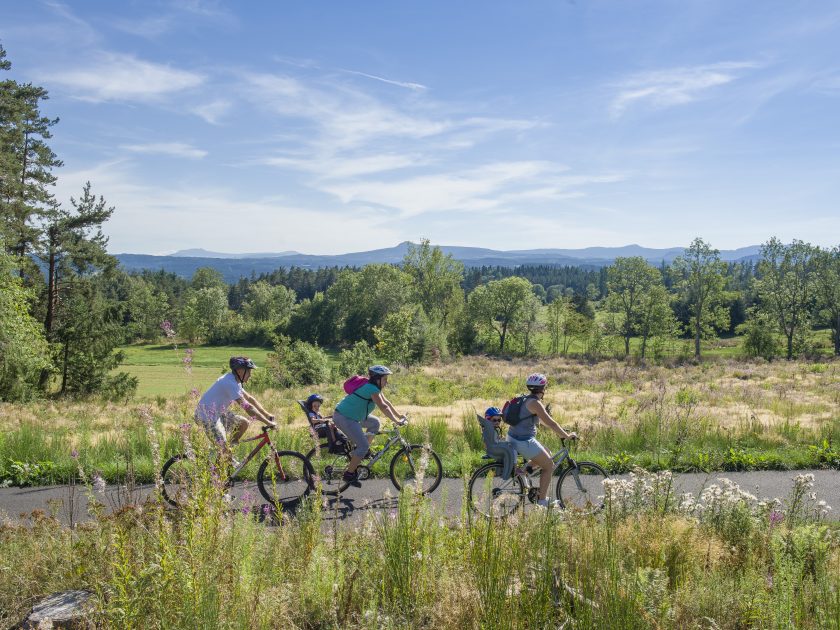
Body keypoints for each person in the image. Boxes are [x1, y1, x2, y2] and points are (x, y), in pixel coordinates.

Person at [506, 373, 577, 509]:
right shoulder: (535, 403)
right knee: (549, 465)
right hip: (523, 441)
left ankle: (521, 473)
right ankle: (542, 501)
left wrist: (561, 431)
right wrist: (566, 436)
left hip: (513, 437)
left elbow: (543, 421)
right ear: (543, 388)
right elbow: (551, 423)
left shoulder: (526, 399)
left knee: (547, 452)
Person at [331, 365, 407, 487]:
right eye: (385, 379)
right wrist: (396, 421)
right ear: (377, 379)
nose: (386, 382)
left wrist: (399, 416)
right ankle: (349, 474)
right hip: (345, 417)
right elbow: (383, 407)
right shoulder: (371, 388)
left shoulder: (373, 387)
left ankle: (362, 452)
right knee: (363, 446)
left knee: (375, 423)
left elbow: (387, 402)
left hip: (354, 416)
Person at [194, 356, 276, 464]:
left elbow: (250, 399)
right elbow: (247, 407)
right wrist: (268, 423)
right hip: (206, 417)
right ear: (240, 371)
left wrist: (267, 414)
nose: (250, 375)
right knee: (224, 450)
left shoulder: (235, 381)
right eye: (249, 371)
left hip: (216, 413)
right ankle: (219, 472)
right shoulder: (230, 383)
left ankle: (227, 455)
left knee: (243, 423)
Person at [478, 407, 518, 480]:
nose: (497, 422)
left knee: (509, 447)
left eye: (499, 420)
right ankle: (514, 468)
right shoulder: (489, 429)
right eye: (494, 420)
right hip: (494, 448)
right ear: (488, 419)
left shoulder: (492, 429)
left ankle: (500, 471)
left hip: (493, 448)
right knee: (513, 448)